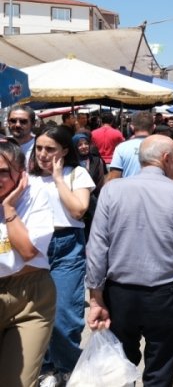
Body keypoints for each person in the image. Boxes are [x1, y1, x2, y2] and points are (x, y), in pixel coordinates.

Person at [85, 135, 173, 387]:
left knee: (119, 365)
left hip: (120, 294)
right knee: (161, 367)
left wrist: (96, 296)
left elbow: (97, 247)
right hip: (165, 294)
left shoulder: (111, 190)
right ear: (166, 158)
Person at [28, 127, 95, 387]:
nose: (43, 154)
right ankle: (45, 368)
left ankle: (68, 367)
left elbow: (79, 210)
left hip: (66, 246)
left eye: (50, 149)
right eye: (39, 148)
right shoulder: (27, 177)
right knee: (35, 314)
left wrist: (57, 178)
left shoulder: (76, 174)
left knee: (65, 316)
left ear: (65, 151)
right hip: (33, 248)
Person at [0, 139, 56, 387]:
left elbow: (27, 250)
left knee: (16, 382)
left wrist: (9, 207)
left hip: (29, 299)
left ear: (21, 175)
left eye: (3, 171)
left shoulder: (35, 196)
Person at [71, 133, 106, 241]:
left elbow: (101, 180)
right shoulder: (71, 163)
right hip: (76, 201)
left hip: (94, 200)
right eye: (80, 144)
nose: (84, 146)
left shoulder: (96, 160)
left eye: (86, 143)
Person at [107, 111, 154, 181]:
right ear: (153, 127)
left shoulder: (122, 148)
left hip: (128, 190)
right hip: (154, 190)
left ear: (132, 127)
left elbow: (113, 177)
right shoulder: (163, 147)